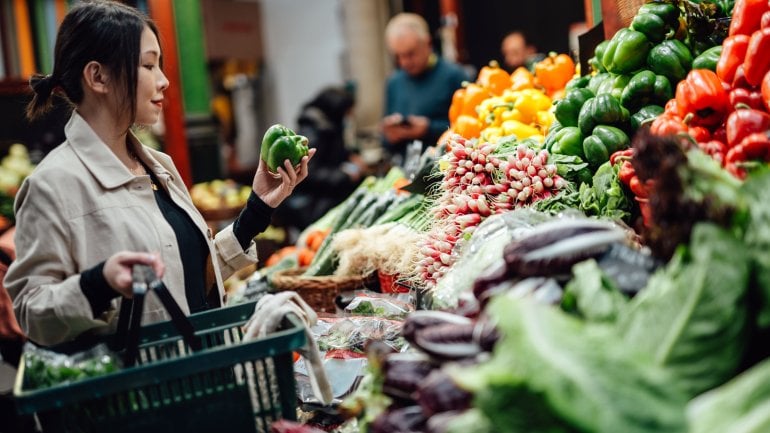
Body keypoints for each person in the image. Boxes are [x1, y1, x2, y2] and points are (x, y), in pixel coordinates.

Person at [5, 1, 313, 347]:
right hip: (139, 393)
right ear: (97, 76)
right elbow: (31, 313)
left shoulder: (159, 165)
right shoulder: (51, 186)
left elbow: (191, 279)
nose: (164, 81)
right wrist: (97, 284)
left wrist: (256, 209)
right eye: (149, 65)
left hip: (204, 373)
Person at [274, 86, 367, 230]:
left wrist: (350, 156)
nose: (350, 117)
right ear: (337, 109)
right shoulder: (313, 131)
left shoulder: (329, 126)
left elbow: (333, 154)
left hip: (326, 198)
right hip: (314, 205)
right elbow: (309, 172)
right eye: (348, 112)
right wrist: (345, 175)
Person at [381, 13, 469, 162]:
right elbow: (385, 142)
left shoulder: (454, 75)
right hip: (406, 171)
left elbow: (471, 129)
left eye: (410, 54)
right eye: (398, 56)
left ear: (427, 43)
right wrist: (390, 134)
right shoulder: (394, 82)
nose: (404, 62)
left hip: (448, 168)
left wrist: (428, 129)